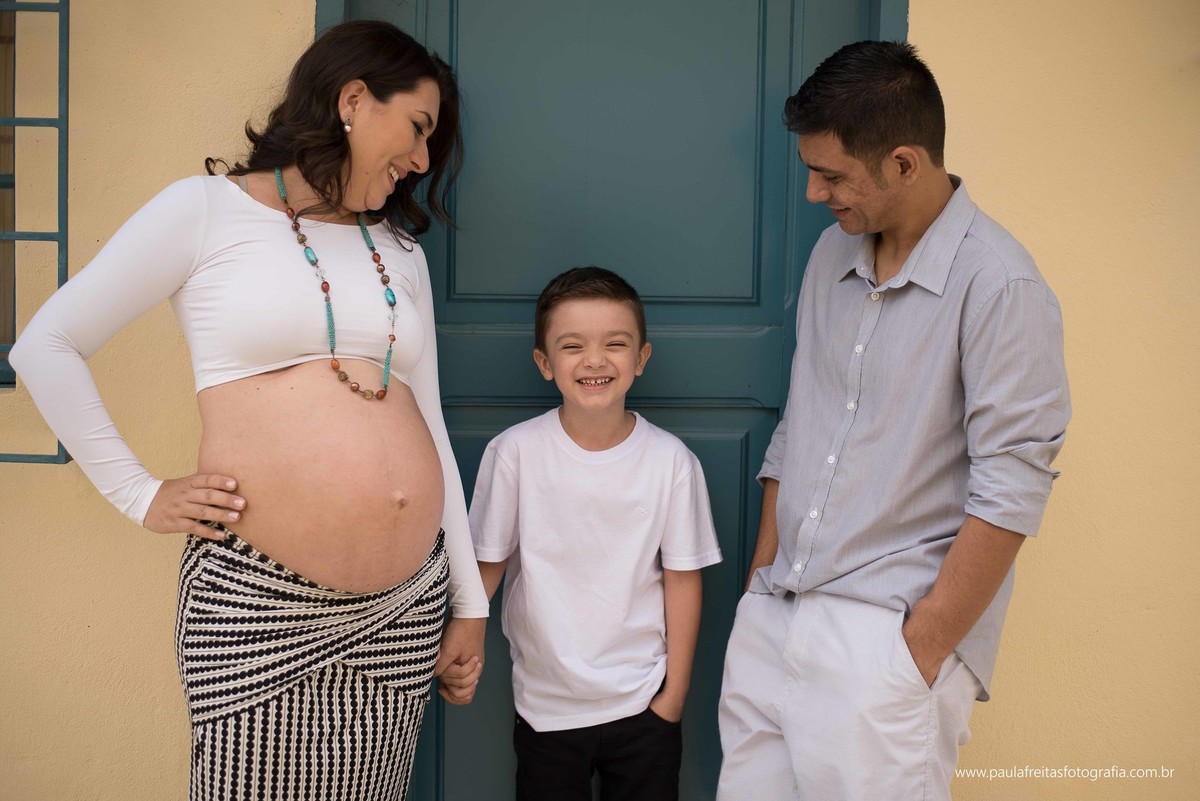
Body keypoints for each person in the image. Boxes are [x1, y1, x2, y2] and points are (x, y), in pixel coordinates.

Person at [9, 20, 488, 801]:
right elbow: (46, 344)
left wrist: (468, 600)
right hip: (257, 604)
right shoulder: (203, 211)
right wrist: (140, 494)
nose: (423, 161)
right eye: (418, 128)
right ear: (354, 100)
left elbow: (428, 423)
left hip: (404, 609)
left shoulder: (401, 252)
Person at [716, 41, 1071, 801]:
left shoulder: (1002, 287)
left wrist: (922, 647)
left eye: (833, 175)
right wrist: (758, 589)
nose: (814, 193)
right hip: (774, 621)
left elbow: (1012, 487)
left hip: (884, 646)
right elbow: (799, 425)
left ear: (905, 163)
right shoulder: (828, 258)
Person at [469, 267, 723, 801]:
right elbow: (486, 565)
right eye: (571, 345)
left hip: (643, 706)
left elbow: (683, 580)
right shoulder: (513, 453)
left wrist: (672, 698)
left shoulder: (671, 461)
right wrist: (458, 639)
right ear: (544, 363)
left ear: (641, 358)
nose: (594, 360)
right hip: (544, 707)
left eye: (615, 343)